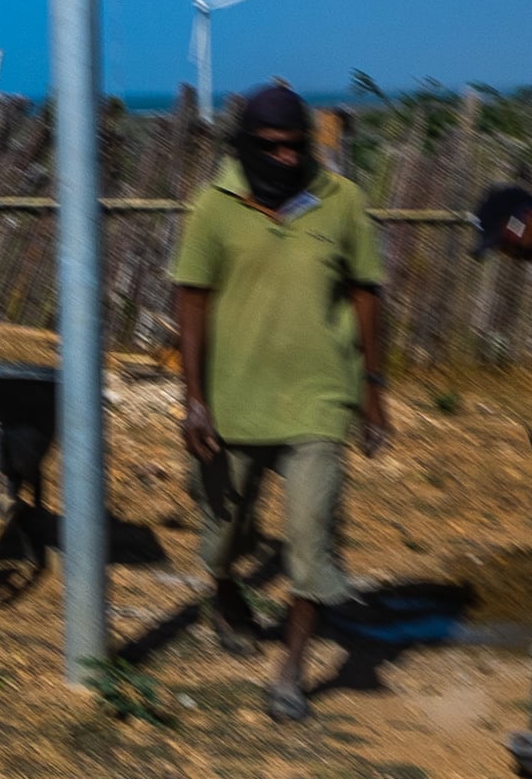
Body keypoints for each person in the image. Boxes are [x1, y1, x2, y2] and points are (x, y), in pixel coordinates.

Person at [167, 80, 391, 722]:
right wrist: (194, 400)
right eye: (273, 148)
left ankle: (290, 671)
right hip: (233, 400)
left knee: (310, 534)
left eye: (298, 147)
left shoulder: (341, 200)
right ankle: (225, 587)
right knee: (223, 530)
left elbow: (367, 292)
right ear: (246, 146)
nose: (288, 160)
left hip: (319, 400)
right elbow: (192, 297)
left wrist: (373, 390)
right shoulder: (213, 206)